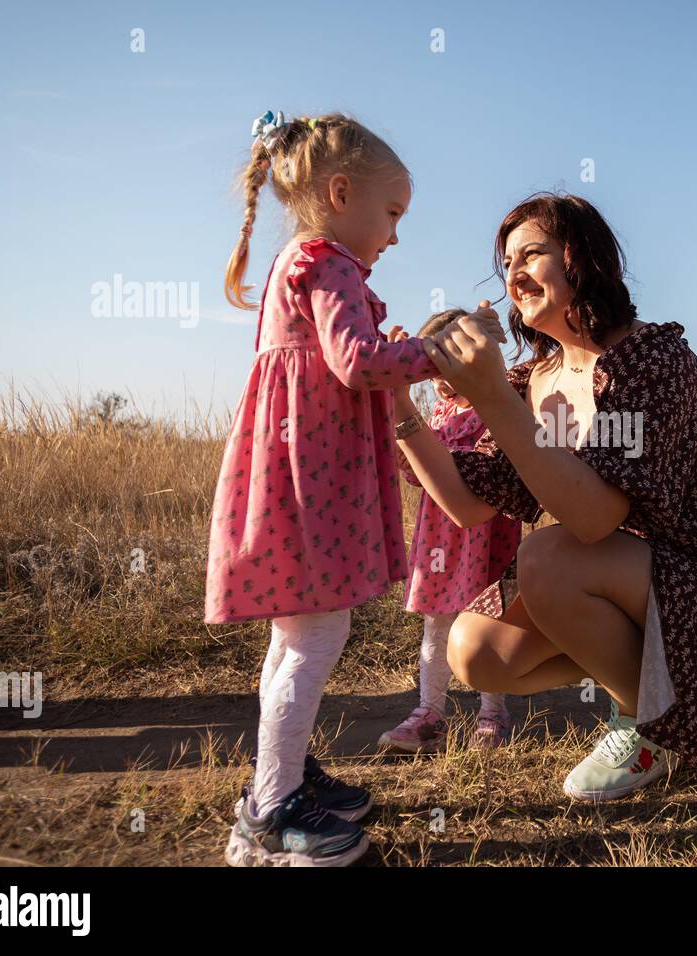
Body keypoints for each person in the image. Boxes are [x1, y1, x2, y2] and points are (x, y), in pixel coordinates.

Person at [394, 192, 697, 803]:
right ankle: (653, 694)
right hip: (607, 576)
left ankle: (651, 725)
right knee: (475, 651)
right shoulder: (531, 384)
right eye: (507, 263)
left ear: (582, 257)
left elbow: (597, 516)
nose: (514, 275)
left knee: (547, 555)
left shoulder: (653, 358)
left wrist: (493, 397)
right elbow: (465, 504)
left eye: (532, 254)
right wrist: (399, 409)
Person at [204, 110, 503, 865]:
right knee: (319, 633)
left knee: (296, 635)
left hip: (291, 472)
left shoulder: (300, 263)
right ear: (340, 192)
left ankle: (283, 776)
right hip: (312, 483)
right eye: (392, 213)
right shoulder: (327, 261)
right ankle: (273, 812)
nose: (395, 234)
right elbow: (358, 362)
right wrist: (438, 352)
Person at [378, 310, 524, 753]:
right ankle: (430, 713)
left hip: (485, 534)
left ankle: (492, 712)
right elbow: (419, 474)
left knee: (488, 618)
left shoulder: (496, 405)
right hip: (439, 536)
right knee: (437, 624)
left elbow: (491, 469)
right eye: (429, 370)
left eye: (447, 366)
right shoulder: (438, 411)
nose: (439, 381)